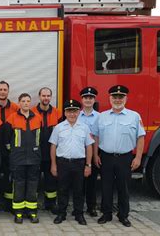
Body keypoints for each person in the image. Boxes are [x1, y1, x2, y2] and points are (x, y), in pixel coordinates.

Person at [93, 85, 145, 227]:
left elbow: (140, 137)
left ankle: (123, 215)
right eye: (114, 97)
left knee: (124, 187)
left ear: (125, 98)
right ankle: (106, 214)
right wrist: (95, 155)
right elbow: (96, 137)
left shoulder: (134, 116)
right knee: (106, 186)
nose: (117, 100)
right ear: (110, 98)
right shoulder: (102, 116)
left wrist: (138, 157)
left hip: (125, 157)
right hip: (106, 157)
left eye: (120, 97)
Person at [49, 99, 94, 225]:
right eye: (69, 111)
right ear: (65, 112)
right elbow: (53, 146)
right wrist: (53, 164)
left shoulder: (84, 128)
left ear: (79, 112)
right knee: (62, 189)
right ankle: (61, 214)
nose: (72, 114)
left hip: (79, 163)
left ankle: (79, 214)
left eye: (74, 111)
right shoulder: (58, 128)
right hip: (63, 163)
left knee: (78, 190)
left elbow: (89, 146)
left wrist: (88, 165)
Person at [6, 93, 43, 224]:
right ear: (19, 103)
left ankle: (32, 211)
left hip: (34, 158)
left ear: (30, 102)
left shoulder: (38, 118)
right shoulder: (12, 118)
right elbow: (6, 139)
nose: (26, 103)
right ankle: (19, 212)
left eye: (28, 101)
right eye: (23, 101)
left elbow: (41, 139)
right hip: (18, 159)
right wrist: (14, 152)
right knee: (19, 185)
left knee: (33, 185)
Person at [31, 87, 61, 213]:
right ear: (39, 96)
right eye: (43, 95)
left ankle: (51, 204)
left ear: (51, 97)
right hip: (36, 154)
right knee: (34, 181)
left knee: (51, 181)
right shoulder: (32, 112)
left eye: (48, 96)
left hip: (51, 154)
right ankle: (33, 203)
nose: (46, 98)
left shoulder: (57, 113)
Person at [0, 81, 18, 210]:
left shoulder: (15, 108)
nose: (2, 91)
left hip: (9, 147)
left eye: (5, 89)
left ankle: (8, 204)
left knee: (8, 175)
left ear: (8, 91)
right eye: (0, 89)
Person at [78, 87, 100, 217]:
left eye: (91, 98)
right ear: (81, 99)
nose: (88, 100)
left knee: (92, 182)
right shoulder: (76, 115)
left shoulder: (100, 117)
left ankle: (91, 207)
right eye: (85, 98)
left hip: (94, 152)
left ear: (94, 100)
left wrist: (96, 155)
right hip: (79, 152)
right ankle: (78, 208)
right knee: (78, 183)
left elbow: (100, 136)